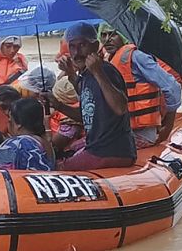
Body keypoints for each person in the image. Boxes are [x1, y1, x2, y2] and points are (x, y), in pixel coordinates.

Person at [49, 22, 136, 170]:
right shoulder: (86, 75)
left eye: (82, 45)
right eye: (72, 47)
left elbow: (121, 108)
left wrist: (98, 73)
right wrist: (58, 105)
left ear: (95, 46)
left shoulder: (106, 71)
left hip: (108, 151)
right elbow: (86, 114)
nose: (76, 52)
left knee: (57, 168)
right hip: (96, 148)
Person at [99, 23, 182, 148]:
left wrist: (168, 124)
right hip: (119, 131)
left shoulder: (137, 57)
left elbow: (172, 87)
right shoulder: (105, 61)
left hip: (141, 133)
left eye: (113, 34)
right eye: (103, 35)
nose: (107, 39)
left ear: (124, 34)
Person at [49, 75, 84, 156]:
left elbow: (53, 146)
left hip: (65, 155)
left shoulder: (70, 121)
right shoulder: (81, 106)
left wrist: (46, 123)